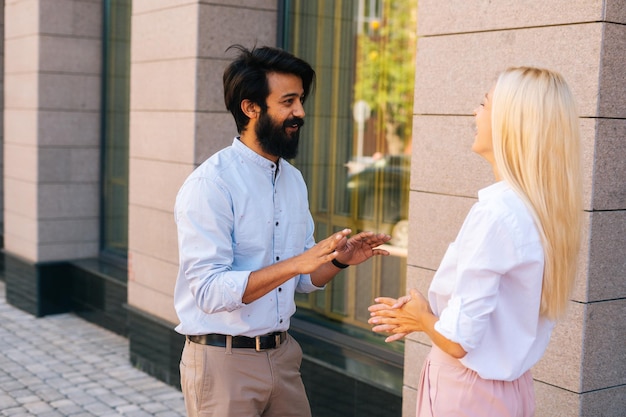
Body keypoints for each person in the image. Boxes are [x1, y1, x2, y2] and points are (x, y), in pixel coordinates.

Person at [173, 44, 391, 417]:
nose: (300, 112)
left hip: (284, 356)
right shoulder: (211, 185)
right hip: (223, 363)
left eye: (301, 100)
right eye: (288, 101)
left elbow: (303, 280)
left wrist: (338, 260)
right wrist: (297, 264)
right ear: (251, 107)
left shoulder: (293, 181)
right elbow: (208, 292)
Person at [368, 66, 583, 416]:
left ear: (511, 123)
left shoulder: (497, 214)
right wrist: (427, 318)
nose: (475, 112)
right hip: (510, 392)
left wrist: (422, 316)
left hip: (468, 395)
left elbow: (457, 342)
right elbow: (494, 317)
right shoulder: (544, 211)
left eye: (484, 104)